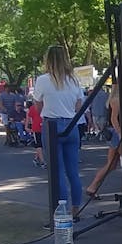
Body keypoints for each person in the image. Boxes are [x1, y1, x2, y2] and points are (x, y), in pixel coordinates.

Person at [33, 45, 86, 215]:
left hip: (52, 124)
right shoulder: (73, 80)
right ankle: (76, 207)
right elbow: (79, 105)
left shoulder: (43, 80)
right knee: (73, 171)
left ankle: (61, 210)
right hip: (71, 125)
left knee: (57, 171)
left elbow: (37, 103)